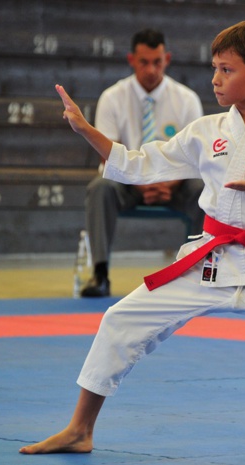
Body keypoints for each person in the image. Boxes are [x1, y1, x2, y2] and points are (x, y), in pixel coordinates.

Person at [20, 19, 245, 465]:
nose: (215, 79)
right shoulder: (206, 130)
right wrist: (87, 130)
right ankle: (79, 430)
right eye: (214, 69)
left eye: (227, 70)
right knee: (119, 319)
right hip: (212, 259)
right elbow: (139, 163)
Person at [81, 28, 204, 297]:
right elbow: (106, 154)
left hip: (174, 182)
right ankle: (100, 274)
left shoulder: (186, 100)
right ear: (131, 60)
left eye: (157, 62)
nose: (151, 69)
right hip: (127, 183)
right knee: (99, 188)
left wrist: (168, 185)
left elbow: (194, 156)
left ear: (167, 59)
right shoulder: (112, 97)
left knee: (204, 189)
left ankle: (195, 272)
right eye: (144, 62)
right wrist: (141, 184)